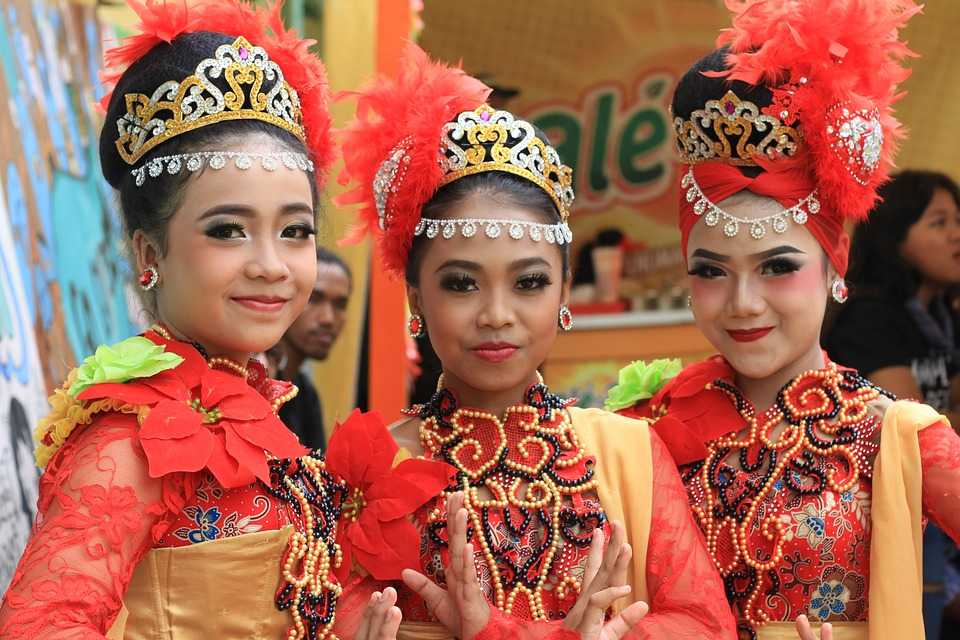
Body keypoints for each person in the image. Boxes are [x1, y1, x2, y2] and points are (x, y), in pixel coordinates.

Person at [0, 2, 417, 638]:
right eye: (228, 230)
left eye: (295, 231)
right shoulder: (131, 439)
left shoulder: (266, 410)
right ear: (149, 252)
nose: (272, 265)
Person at [336, 43, 737, 639]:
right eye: (461, 284)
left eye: (528, 282)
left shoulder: (628, 452)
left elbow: (706, 625)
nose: (497, 315)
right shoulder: (368, 467)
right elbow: (324, 618)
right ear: (417, 298)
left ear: (564, 292)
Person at [607, 1, 960, 638]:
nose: (743, 302)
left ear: (835, 263)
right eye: (711, 271)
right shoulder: (641, 430)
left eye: (776, 267)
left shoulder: (896, 435)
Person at [824, 170, 960, 638]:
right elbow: (913, 427)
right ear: (895, 235)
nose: (957, 235)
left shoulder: (939, 316)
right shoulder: (870, 317)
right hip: (894, 516)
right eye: (939, 222)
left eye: (958, 220)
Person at [277, 246, 353, 450]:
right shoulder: (252, 380)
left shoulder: (306, 394)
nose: (328, 318)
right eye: (314, 299)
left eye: (340, 305)